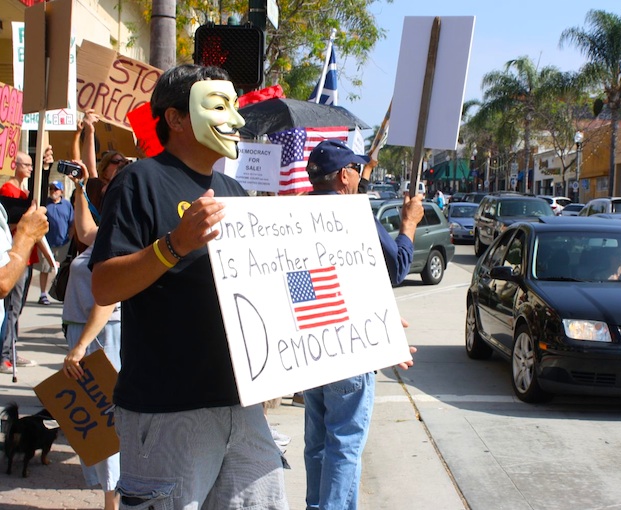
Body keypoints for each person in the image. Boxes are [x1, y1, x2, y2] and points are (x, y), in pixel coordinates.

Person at [89, 64, 288, 509]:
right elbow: (103, 285)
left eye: (234, 106)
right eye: (219, 106)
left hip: (243, 406)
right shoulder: (138, 181)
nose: (236, 120)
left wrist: (365, 326)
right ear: (175, 119)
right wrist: (174, 245)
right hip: (167, 410)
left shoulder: (234, 191)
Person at [303, 139, 423, 510]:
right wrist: (409, 225)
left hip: (309, 342)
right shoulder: (353, 215)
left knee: (318, 442)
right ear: (344, 175)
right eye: (355, 170)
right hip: (348, 347)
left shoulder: (293, 214)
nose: (359, 176)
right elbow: (398, 268)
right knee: (344, 444)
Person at [61, 160, 120, 510]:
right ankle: (111, 499)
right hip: (83, 333)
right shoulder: (106, 233)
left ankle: (112, 504)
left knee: (105, 422)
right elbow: (84, 230)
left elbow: (109, 297)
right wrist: (80, 186)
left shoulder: (122, 237)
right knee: (95, 426)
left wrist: (82, 345)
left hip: (101, 336)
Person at [0, 151, 53, 373]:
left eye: (34, 165)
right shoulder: (6, 192)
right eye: (28, 164)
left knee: (16, 308)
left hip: (24, 257)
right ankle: (4, 355)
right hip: (11, 259)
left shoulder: (23, 192)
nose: (31, 168)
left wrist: (46, 169)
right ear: (14, 164)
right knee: (12, 307)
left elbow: (35, 219)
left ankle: (10, 350)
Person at [35, 181, 74, 305]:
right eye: (51, 188)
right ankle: (42, 294)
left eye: (56, 189)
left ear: (61, 191)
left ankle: (62, 293)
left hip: (63, 243)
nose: (53, 191)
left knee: (63, 270)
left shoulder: (67, 205)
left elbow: (72, 223)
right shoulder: (45, 204)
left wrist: (70, 237)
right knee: (45, 269)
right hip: (47, 243)